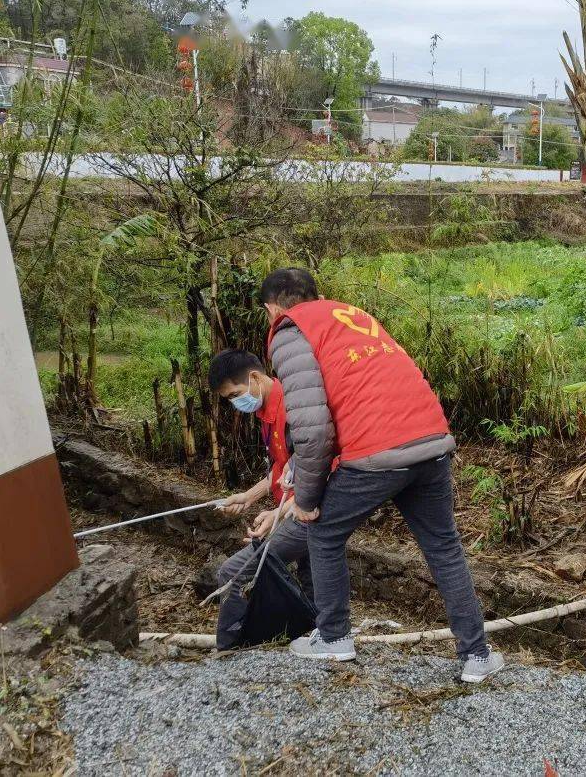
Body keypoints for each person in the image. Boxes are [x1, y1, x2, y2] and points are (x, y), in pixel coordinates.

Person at [260, 267, 503, 682]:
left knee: (322, 531)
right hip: (431, 439)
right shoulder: (352, 316)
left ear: (273, 307)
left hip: (377, 451)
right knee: (444, 547)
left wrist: (306, 499)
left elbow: (313, 426)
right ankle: (477, 657)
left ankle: (333, 637)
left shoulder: (291, 330)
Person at [208, 350, 312, 603]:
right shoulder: (266, 412)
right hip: (296, 508)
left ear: (254, 377)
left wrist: (279, 515)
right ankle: (318, 632)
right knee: (312, 579)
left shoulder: (294, 407)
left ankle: (233, 640)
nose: (235, 403)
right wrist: (247, 497)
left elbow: (322, 468)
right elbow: (282, 468)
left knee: (234, 572)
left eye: (234, 394)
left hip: (310, 510)